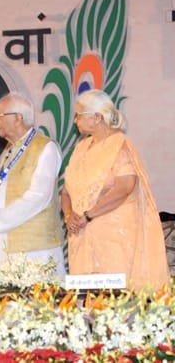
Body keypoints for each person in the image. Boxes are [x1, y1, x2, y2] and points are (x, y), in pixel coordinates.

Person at [62, 89, 168, 290]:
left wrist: (88, 215)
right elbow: (66, 192)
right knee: (87, 301)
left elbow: (125, 187)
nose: (75, 121)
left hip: (113, 236)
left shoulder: (120, 145)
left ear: (96, 117)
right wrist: (69, 217)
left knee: (115, 301)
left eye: (79, 115)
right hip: (81, 235)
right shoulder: (80, 147)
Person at [0, 94, 65, 274]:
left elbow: (38, 197)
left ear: (18, 117)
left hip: (34, 248)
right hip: (0, 242)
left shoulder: (45, 147)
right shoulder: (9, 150)